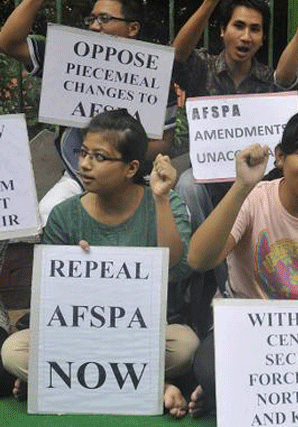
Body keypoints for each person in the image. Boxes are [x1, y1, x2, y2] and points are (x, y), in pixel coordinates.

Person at [0, 109, 197, 418]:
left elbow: (175, 267)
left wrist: (160, 198)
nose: (84, 164)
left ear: (131, 167)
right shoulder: (65, 214)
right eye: (83, 153)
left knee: (185, 346)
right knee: (13, 351)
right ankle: (153, 386)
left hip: (145, 334)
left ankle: (67, 383)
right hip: (80, 337)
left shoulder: (164, 201)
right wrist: (77, 273)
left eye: (100, 157)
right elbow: (53, 303)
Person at [185, 109, 298, 417]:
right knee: (212, 371)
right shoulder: (255, 197)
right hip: (245, 329)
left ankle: (233, 396)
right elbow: (199, 259)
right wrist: (241, 186)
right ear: (280, 157)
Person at [0, 0, 176, 224]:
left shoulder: (156, 74)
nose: (94, 26)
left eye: (105, 19)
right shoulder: (69, 57)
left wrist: (116, 158)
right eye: (92, 19)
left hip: (134, 180)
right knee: (48, 215)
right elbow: (9, 42)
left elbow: (164, 141)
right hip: (77, 176)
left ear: (133, 28)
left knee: (170, 220)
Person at [171, 0, 277, 339]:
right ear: (223, 30)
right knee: (186, 186)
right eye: (238, 26)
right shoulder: (201, 67)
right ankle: (194, 283)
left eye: (255, 29)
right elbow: (177, 54)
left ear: (263, 38)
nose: (246, 36)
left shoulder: (270, 82)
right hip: (207, 182)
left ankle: (230, 299)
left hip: (250, 187)